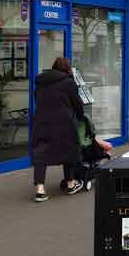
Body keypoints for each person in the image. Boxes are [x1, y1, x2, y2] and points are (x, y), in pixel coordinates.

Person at [30, 56, 85, 202]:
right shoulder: (68, 82)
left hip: (42, 121)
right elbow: (77, 103)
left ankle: (40, 190)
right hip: (64, 122)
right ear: (67, 68)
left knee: (41, 154)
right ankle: (71, 184)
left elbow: (37, 100)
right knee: (69, 150)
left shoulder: (40, 82)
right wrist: (80, 117)